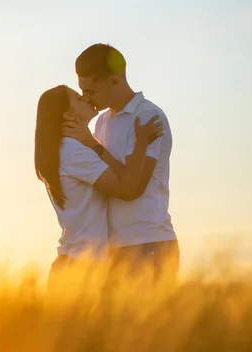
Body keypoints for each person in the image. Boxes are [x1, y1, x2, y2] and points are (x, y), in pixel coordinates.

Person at [64, 43, 179, 281]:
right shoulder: (102, 122)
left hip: (149, 244)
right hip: (115, 249)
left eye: (91, 91)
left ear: (115, 81)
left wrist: (92, 144)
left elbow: (133, 187)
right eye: (82, 91)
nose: (86, 98)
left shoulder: (147, 117)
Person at [34, 85, 162, 289]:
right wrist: (141, 142)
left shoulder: (66, 149)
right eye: (77, 97)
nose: (85, 97)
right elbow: (127, 188)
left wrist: (89, 140)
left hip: (75, 265)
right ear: (68, 114)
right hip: (82, 269)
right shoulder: (73, 151)